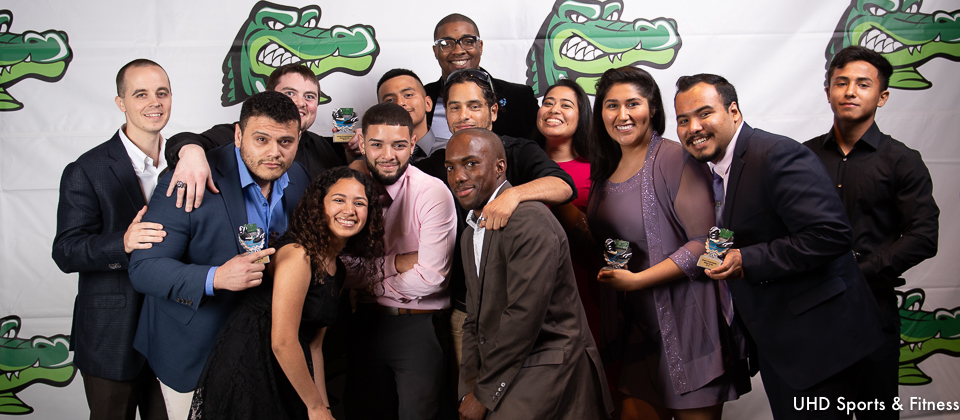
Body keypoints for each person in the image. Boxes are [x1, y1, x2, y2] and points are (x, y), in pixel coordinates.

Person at [675, 73, 885, 420]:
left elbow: (830, 233)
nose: (693, 127)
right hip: (781, 346)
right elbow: (735, 227)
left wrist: (747, 259)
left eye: (704, 113)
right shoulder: (714, 171)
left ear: (734, 112)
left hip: (823, 347)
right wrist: (713, 259)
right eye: (684, 120)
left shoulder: (775, 154)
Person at [128, 91, 311, 419]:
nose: (274, 153)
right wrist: (216, 277)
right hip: (194, 349)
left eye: (286, 142)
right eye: (261, 139)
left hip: (264, 352)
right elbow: (144, 268)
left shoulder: (298, 178)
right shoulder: (187, 178)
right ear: (239, 135)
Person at [587, 66, 749, 420]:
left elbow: (705, 243)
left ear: (653, 109)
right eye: (611, 105)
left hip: (690, 327)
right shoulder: (604, 169)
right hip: (636, 334)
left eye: (633, 103)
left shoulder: (675, 157)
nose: (622, 115)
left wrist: (637, 281)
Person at [803, 46, 939, 419]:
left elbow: (924, 234)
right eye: (841, 82)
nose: (850, 91)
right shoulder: (802, 157)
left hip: (872, 306)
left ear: (882, 96)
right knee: (815, 410)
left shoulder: (901, 160)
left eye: (863, 84)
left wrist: (860, 272)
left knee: (874, 410)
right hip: (810, 308)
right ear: (828, 89)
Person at [189, 167, 385, 419]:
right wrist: (314, 406)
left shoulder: (339, 270)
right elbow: (283, 342)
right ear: (318, 206)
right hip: (251, 369)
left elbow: (315, 346)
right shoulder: (298, 255)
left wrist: (323, 408)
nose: (349, 210)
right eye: (339, 199)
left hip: (291, 371)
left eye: (360, 202)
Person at [445, 128, 613, 420]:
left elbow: (523, 317)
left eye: (471, 163)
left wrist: (483, 394)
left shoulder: (530, 220)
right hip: (505, 368)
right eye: (451, 167)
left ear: (500, 167)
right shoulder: (469, 231)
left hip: (548, 366)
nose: (458, 176)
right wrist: (468, 387)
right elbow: (474, 319)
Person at [52, 58, 169, 420]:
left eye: (162, 92)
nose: (154, 102)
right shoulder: (87, 169)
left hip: (172, 332)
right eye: (141, 94)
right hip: (111, 335)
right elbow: (67, 251)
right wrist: (124, 242)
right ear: (121, 103)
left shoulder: (185, 163)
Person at [342, 102, 457, 420]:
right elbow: (338, 268)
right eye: (376, 144)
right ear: (362, 143)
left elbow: (431, 278)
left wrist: (365, 278)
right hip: (365, 323)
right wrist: (396, 263)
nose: (387, 155)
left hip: (417, 326)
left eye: (399, 145)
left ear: (413, 144)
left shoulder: (432, 193)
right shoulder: (348, 191)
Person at [165, 63, 345, 212]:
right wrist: (191, 154)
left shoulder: (323, 145)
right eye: (290, 93)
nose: (300, 102)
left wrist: (356, 147)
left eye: (309, 96)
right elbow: (183, 140)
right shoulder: (239, 135)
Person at [424, 13, 539, 142]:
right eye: (446, 43)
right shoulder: (420, 99)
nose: (458, 50)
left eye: (468, 42)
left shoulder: (520, 98)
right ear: (435, 51)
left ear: (480, 47)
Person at [535, 78, 591, 212]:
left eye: (566, 105)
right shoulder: (520, 162)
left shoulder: (596, 170)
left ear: (581, 116)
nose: (554, 109)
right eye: (548, 103)